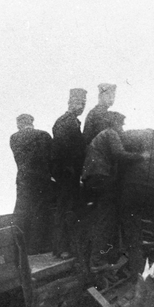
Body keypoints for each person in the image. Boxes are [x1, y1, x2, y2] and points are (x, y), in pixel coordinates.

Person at [80, 111, 146, 271]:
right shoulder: (111, 133)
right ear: (115, 124)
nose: (122, 128)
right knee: (107, 219)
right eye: (121, 124)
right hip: (101, 177)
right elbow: (119, 154)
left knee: (103, 218)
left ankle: (100, 257)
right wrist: (141, 156)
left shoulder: (101, 136)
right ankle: (98, 260)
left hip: (93, 178)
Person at [118, 128, 154, 278]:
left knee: (133, 232)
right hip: (153, 193)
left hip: (131, 192)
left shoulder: (135, 157)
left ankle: (138, 273)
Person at [50, 88, 89, 258]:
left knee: (65, 208)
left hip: (66, 172)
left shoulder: (64, 121)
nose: (82, 107)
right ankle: (63, 248)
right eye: (80, 103)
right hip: (68, 173)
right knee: (67, 209)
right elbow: (70, 149)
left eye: (84, 104)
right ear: (71, 103)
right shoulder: (69, 122)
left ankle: (63, 247)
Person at [10, 113, 54, 254]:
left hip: (23, 179)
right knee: (39, 211)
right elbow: (50, 157)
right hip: (41, 179)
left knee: (22, 211)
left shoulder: (14, 138)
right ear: (32, 122)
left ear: (19, 124)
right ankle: (36, 246)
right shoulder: (43, 135)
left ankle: (19, 246)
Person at [82, 83, 117, 148]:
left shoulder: (104, 113)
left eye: (113, 95)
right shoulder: (97, 113)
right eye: (108, 94)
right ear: (100, 96)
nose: (111, 98)